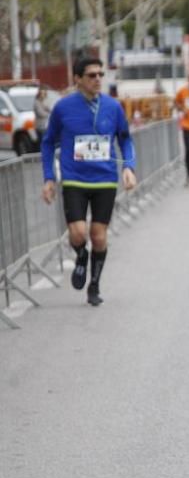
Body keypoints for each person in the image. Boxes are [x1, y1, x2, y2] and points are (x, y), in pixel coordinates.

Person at [40, 58, 138, 307]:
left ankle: (94, 285)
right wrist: (49, 177)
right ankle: (81, 256)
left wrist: (128, 166)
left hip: (104, 179)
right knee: (78, 233)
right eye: (91, 75)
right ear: (78, 79)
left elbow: (125, 139)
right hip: (74, 178)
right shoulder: (63, 108)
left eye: (100, 74)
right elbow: (48, 142)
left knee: (99, 236)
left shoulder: (113, 107)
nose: (97, 79)